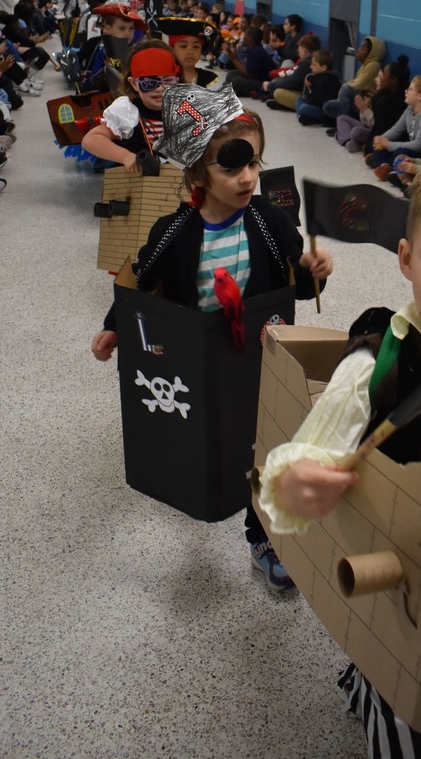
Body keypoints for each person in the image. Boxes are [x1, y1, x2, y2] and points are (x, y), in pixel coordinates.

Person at [258, 157, 421, 758]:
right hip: (395, 556)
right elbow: (308, 447)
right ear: (406, 258)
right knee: (403, 688)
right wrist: (296, 482)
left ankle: (365, 678)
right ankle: (377, 691)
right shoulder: (379, 355)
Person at [91, 84, 334, 592]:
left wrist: (313, 269)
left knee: (267, 442)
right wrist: (116, 326)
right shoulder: (174, 230)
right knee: (211, 437)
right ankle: (205, 488)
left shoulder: (270, 222)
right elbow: (140, 281)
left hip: (263, 354)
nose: (248, 177)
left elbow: (297, 282)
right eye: (232, 167)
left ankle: (264, 536)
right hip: (198, 361)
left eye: (255, 163)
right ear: (198, 174)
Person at [81, 39, 181, 172]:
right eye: (149, 83)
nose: (159, 89)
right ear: (134, 83)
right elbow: (90, 140)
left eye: (167, 81)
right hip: (142, 182)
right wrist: (125, 156)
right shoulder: (128, 111)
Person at [365, 74, 421, 180]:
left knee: (400, 152)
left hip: (420, 155)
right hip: (410, 148)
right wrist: (381, 139)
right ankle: (385, 165)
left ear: (420, 96)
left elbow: (419, 146)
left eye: (410, 89)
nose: (406, 91)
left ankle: (381, 162)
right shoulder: (410, 108)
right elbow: (396, 129)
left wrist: (389, 145)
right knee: (376, 142)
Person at [322, 35, 386, 122]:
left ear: (371, 53)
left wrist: (343, 88)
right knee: (327, 106)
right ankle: (347, 120)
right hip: (357, 101)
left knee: (346, 88)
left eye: (362, 49)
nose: (358, 50)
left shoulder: (374, 65)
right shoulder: (364, 65)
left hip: (367, 103)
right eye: (359, 48)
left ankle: (345, 123)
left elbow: (357, 85)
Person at [265, 33, 321, 111]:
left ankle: (287, 104)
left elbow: (291, 83)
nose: (298, 51)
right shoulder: (316, 60)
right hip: (312, 94)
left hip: (308, 97)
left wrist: (270, 86)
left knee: (278, 93)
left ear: (304, 50)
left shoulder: (307, 64)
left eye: (299, 49)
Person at [156, 17, 218, 87]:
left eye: (196, 47)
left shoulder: (207, 78)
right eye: (183, 46)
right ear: (172, 49)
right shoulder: (163, 78)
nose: (190, 52)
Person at [295, 49, 341, 125]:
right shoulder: (315, 76)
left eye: (314, 65)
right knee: (299, 100)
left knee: (303, 108)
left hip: (324, 112)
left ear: (323, 67)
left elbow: (321, 102)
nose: (311, 67)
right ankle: (304, 117)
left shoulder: (329, 80)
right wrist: (308, 88)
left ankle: (305, 116)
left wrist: (311, 89)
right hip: (315, 105)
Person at [226, 26, 275, 97]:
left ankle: (249, 92)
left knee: (237, 81)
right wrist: (233, 56)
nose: (243, 37)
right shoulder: (253, 49)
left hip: (264, 82)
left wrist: (233, 58)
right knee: (231, 74)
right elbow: (245, 67)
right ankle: (231, 90)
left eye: (245, 35)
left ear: (250, 38)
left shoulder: (257, 52)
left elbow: (248, 74)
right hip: (256, 78)